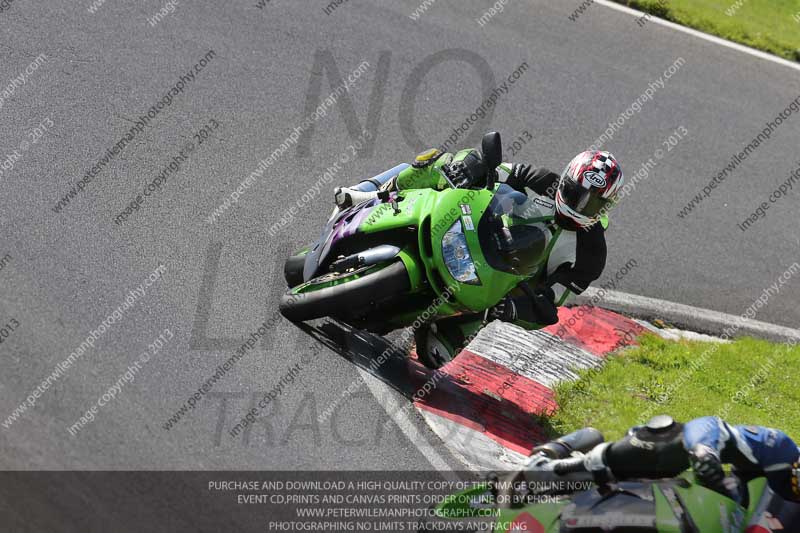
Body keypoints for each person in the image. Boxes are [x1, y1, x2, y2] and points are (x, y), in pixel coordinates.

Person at [333, 146, 624, 330]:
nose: (578, 208)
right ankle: (370, 195)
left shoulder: (591, 255)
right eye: (573, 194)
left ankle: (412, 319)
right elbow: (490, 165)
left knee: (439, 350)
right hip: (473, 231)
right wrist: (469, 166)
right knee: (437, 160)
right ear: (564, 181)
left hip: (498, 285)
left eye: (591, 205)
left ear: (606, 207)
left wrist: (512, 309)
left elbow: (551, 303)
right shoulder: (541, 181)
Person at [533, 415, 800, 504]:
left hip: (712, 508)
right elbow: (710, 425)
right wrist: (704, 450)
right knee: (669, 446)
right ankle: (549, 468)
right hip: (668, 455)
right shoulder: (781, 448)